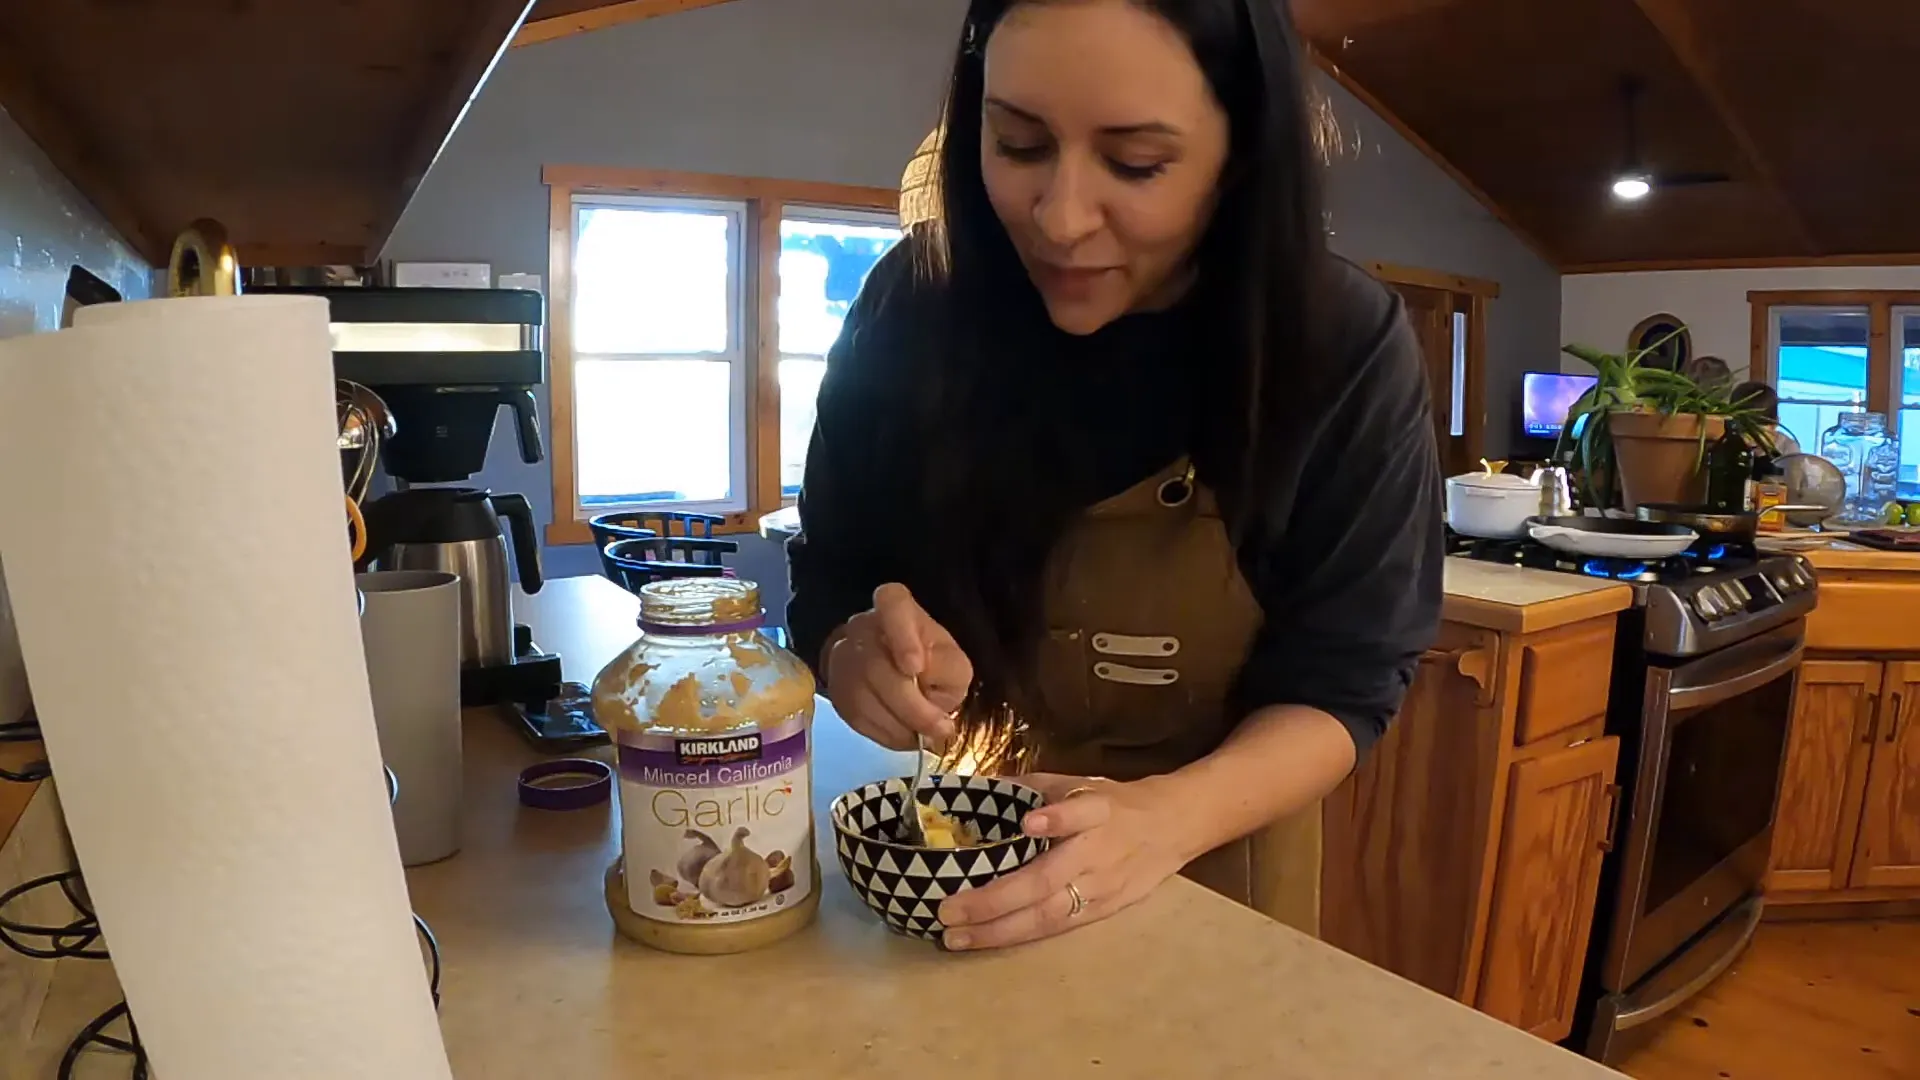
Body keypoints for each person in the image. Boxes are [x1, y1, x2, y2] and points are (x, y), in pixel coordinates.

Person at [787, 0, 1443, 951]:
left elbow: (1346, 682)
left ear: (1241, 150)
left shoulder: (1336, 344)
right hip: (952, 865)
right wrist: (852, 649)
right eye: (1018, 144)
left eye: (1136, 164)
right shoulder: (914, 304)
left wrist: (1165, 821)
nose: (1060, 218)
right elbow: (831, 566)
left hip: (1208, 872)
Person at [1729, 381, 1802, 455]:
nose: (1747, 439)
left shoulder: (1788, 450)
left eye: (1755, 432)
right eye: (1742, 431)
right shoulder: (1729, 443)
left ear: (1774, 424)